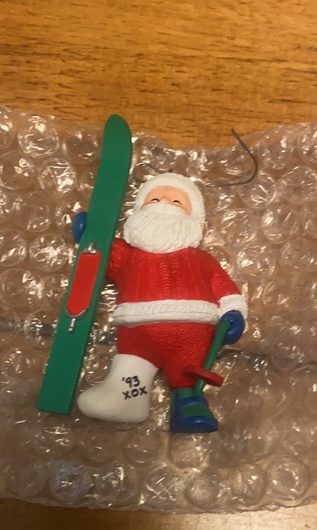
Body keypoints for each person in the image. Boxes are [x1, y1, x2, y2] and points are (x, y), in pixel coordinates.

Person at [74, 173, 247, 432]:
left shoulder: (202, 260)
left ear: (195, 220)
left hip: (192, 332)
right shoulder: (127, 255)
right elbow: (101, 254)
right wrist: (92, 236)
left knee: (187, 371)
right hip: (136, 332)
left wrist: (233, 312)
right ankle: (126, 395)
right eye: (154, 199)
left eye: (177, 202)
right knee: (132, 363)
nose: (164, 203)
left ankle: (188, 403)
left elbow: (224, 288)